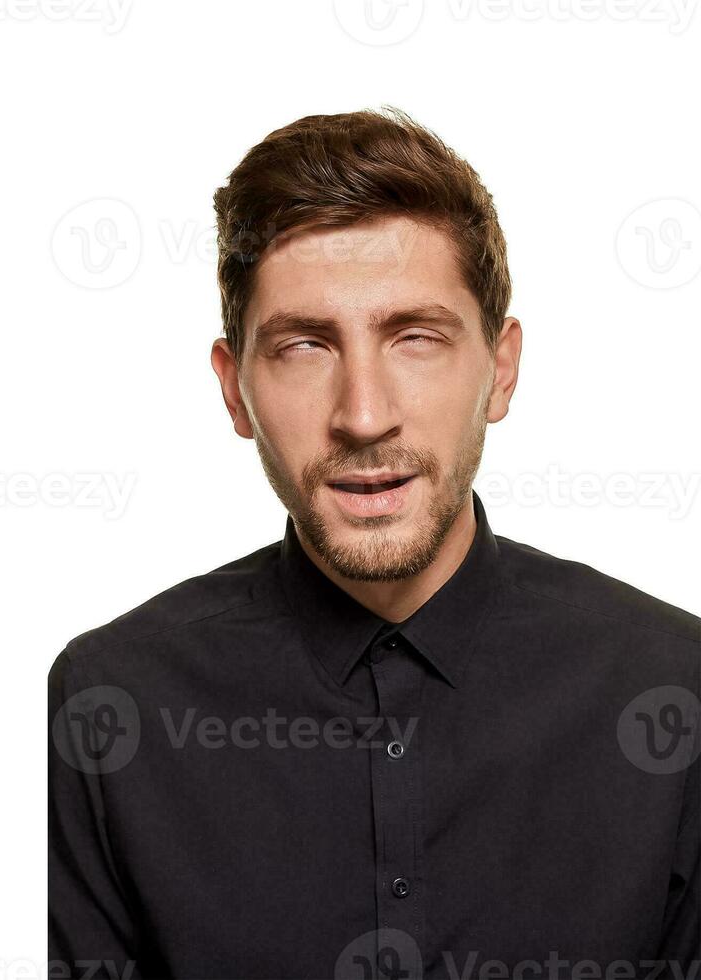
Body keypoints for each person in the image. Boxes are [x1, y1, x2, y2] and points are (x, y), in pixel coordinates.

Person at [48, 107, 699, 978]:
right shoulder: (109, 701)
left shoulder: (671, 685)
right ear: (235, 391)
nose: (363, 414)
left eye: (415, 339)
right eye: (305, 346)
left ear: (501, 369)